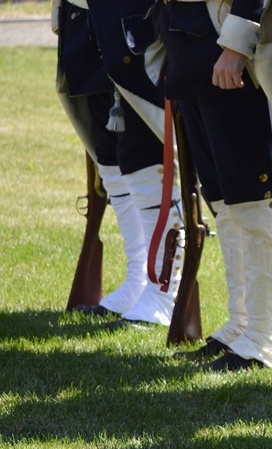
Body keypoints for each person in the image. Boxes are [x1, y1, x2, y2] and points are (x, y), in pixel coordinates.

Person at [157, 0, 272, 372]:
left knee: (250, 195)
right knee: (223, 200)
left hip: (224, 43)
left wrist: (236, 43)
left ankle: (266, 335)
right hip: (190, 45)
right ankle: (243, 321)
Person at [55, 0, 183, 328]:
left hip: (132, 19)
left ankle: (162, 291)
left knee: (146, 161)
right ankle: (138, 280)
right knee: (112, 162)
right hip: (87, 17)